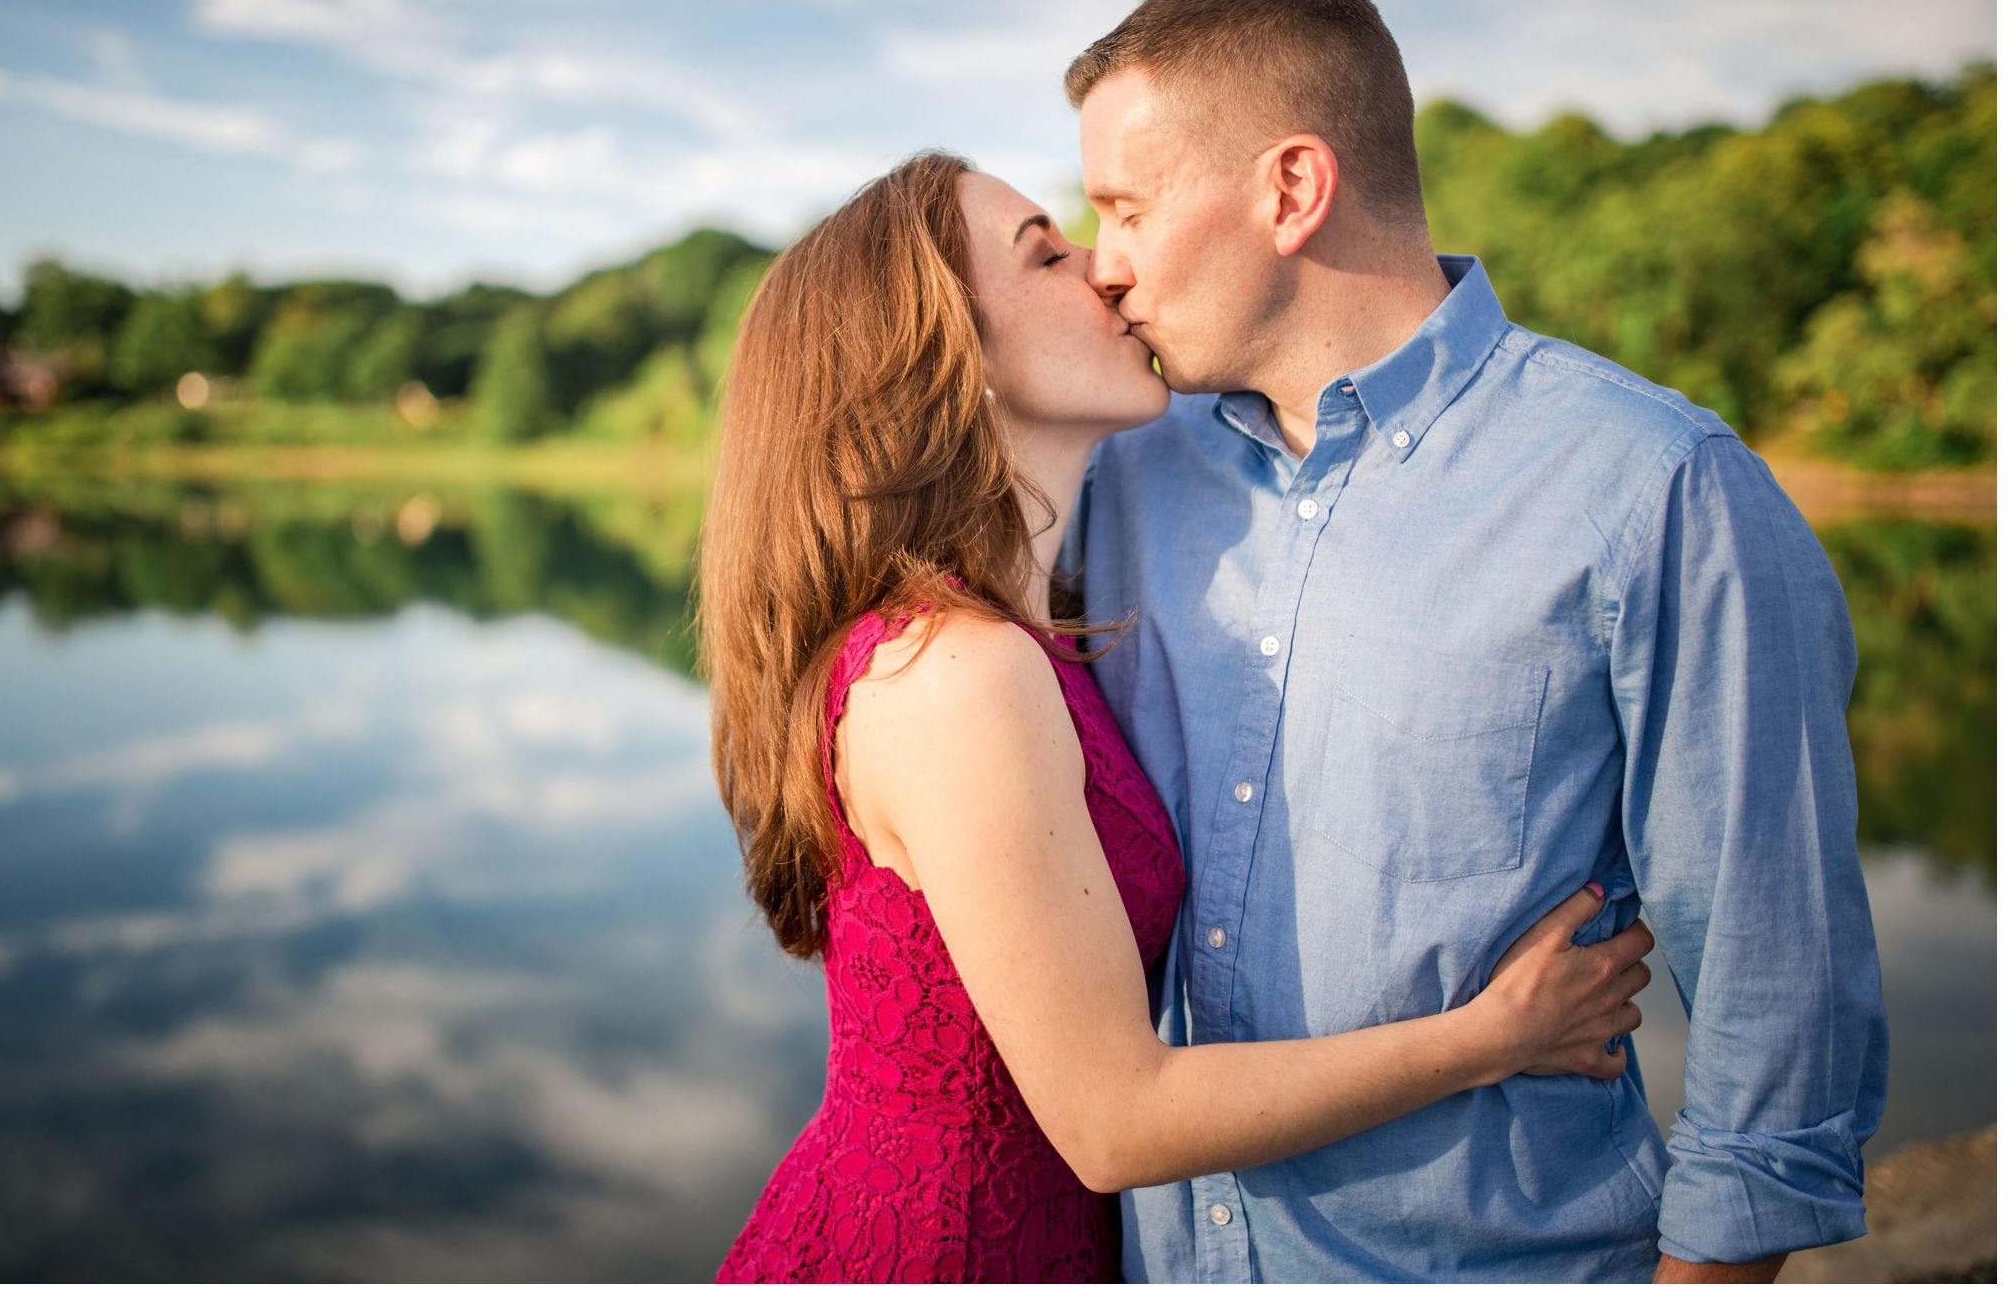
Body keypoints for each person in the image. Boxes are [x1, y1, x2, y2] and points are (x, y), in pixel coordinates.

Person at [1063, 0, 1888, 1281]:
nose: (1102, 268)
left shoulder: (1652, 486)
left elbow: (1772, 978)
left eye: (1126, 209)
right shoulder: (1117, 481)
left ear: (1290, 189)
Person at [703, 150, 1656, 1282]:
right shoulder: (955, 674)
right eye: (1045, 254)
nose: (1103, 274)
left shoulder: (1017, 636)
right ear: (943, 351)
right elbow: (1113, 1121)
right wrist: (1493, 1036)